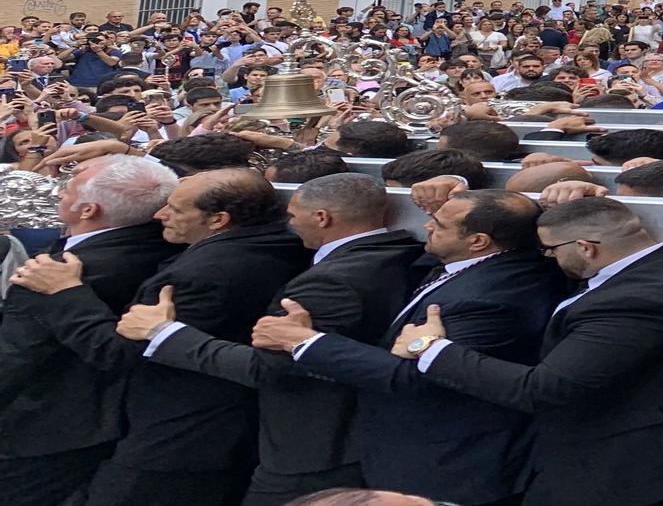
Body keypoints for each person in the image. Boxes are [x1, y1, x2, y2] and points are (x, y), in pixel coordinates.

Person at [387, 197, 663, 506]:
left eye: (550, 249)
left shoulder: (641, 301)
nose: (547, 257)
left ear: (585, 248)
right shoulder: (661, 264)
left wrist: (430, 349)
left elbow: (544, 390)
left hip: (622, 468)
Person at [121, 173, 429, 506]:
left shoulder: (330, 282)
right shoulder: (397, 251)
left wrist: (164, 334)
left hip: (312, 446)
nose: (288, 224)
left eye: (293, 216)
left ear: (321, 218)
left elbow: (268, 368)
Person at [11, 167, 310, 506]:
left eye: (176, 209)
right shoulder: (276, 244)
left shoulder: (201, 274)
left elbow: (122, 353)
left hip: (178, 436)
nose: (159, 215)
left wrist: (66, 292)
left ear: (218, 220)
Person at [268, 191, 565, 506]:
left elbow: (418, 377)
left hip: (449, 462)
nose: (426, 227)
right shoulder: (494, 260)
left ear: (478, 241)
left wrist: (305, 341)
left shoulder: (490, 298)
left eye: (439, 224)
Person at [0, 157, 177, 506]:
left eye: (66, 189)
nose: (58, 194)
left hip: (39, 427)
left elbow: (14, 355)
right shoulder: (167, 248)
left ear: (88, 210)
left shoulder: (51, 274)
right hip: (107, 422)